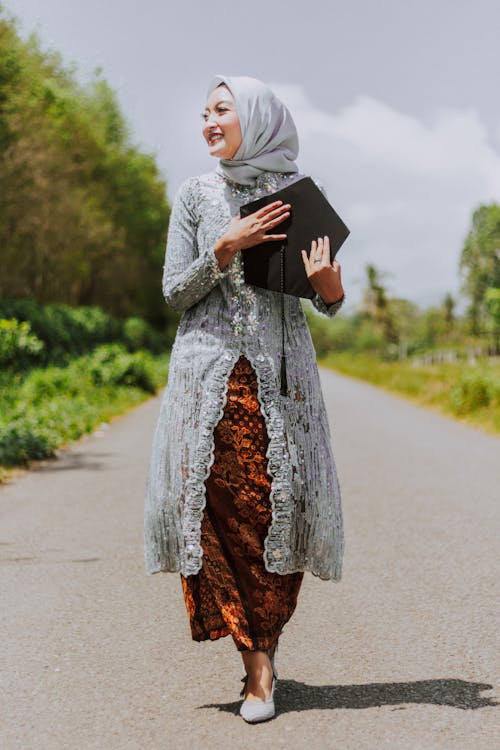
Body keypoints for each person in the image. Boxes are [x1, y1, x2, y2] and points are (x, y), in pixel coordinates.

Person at [144, 74, 346, 723]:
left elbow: (319, 300)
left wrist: (329, 290)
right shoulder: (196, 195)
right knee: (216, 518)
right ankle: (257, 671)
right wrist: (222, 248)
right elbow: (175, 292)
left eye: (222, 110)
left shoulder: (295, 197)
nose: (209, 121)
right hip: (207, 386)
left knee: (272, 517)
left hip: (280, 388)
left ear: (256, 118)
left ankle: (266, 647)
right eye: (204, 112)